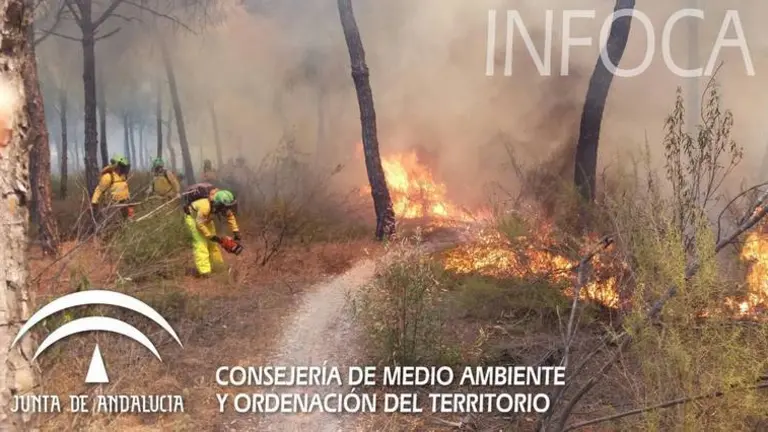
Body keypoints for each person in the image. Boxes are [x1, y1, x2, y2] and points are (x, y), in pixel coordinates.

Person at [182, 183, 242, 277]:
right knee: (201, 243)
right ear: (219, 205)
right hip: (193, 219)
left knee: (213, 244)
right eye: (226, 207)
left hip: (206, 219)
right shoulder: (205, 206)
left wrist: (236, 231)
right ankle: (205, 271)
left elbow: (230, 216)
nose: (227, 209)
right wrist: (210, 236)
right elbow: (199, 224)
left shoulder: (219, 202)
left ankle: (218, 266)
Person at [91, 155, 133, 219]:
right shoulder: (108, 177)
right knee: (116, 222)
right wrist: (94, 202)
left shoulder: (123, 176)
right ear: (117, 166)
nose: (125, 169)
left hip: (125, 203)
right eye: (123, 166)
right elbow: (99, 190)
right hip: (113, 206)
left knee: (128, 220)